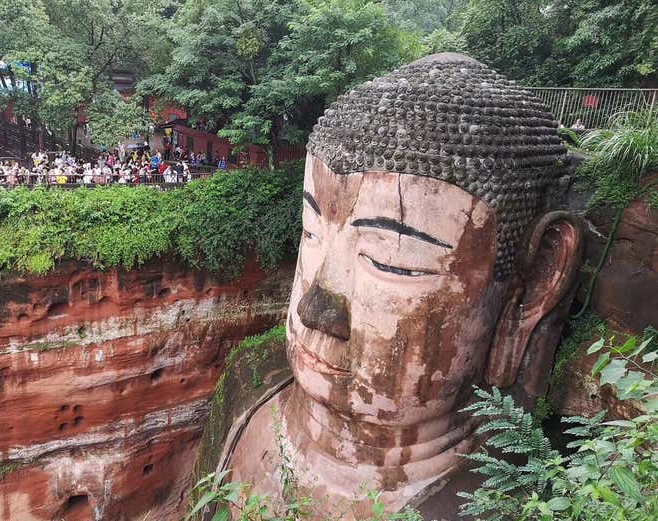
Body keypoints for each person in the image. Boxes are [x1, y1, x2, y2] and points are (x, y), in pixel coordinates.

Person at [225, 53, 583, 517]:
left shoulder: (512, 504)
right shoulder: (247, 390)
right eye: (310, 232)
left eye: (389, 261)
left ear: (534, 285)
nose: (314, 309)